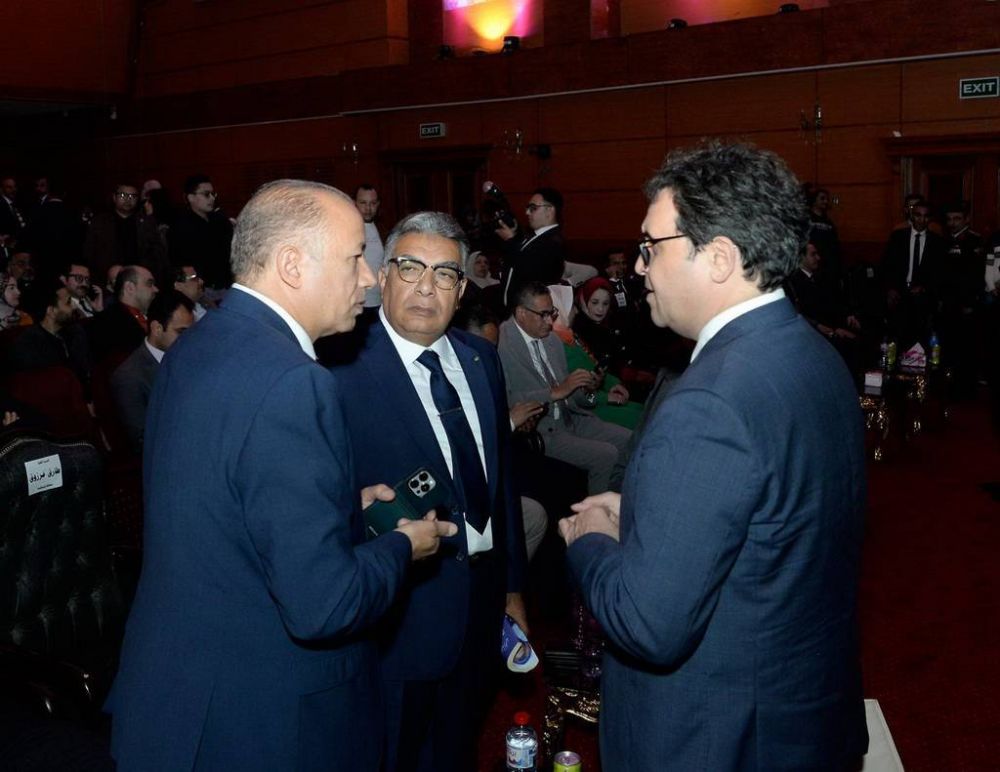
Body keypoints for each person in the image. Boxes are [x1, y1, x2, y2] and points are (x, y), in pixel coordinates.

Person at [106, 180, 456, 771]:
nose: (368, 279)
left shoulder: (198, 342)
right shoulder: (295, 382)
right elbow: (325, 605)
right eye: (355, 259)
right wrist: (404, 545)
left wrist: (337, 506)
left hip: (177, 691)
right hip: (260, 719)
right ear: (293, 265)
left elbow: (218, 494)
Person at [559, 141, 868, 770]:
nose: (638, 266)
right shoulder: (813, 354)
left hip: (715, 735)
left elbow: (648, 625)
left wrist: (590, 540)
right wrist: (644, 510)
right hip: (800, 713)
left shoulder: (709, 402)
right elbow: (770, 524)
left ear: (720, 257)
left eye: (651, 246)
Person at [333, 212, 527, 772]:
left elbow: (501, 479)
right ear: (383, 275)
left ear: (461, 289)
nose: (426, 287)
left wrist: (512, 586)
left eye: (444, 274)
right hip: (400, 612)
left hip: (482, 600)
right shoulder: (338, 365)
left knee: (458, 748)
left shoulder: (480, 358)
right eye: (410, 267)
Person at [498, 281, 631, 494]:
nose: (550, 321)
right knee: (606, 455)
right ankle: (595, 511)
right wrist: (556, 392)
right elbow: (508, 399)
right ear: (521, 313)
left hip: (572, 417)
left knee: (628, 440)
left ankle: (617, 499)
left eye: (552, 313)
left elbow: (577, 398)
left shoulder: (552, 340)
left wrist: (588, 390)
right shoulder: (501, 345)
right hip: (542, 429)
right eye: (543, 314)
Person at [110, 290, 195, 453]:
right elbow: (142, 440)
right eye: (181, 332)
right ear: (157, 328)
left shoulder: (192, 358)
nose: (190, 340)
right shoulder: (129, 377)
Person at [355, 184, 384, 311]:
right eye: (363, 203)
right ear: (354, 203)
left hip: (380, 303)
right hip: (356, 304)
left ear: (378, 204)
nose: (368, 208)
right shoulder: (347, 231)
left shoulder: (385, 230)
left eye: (372, 203)